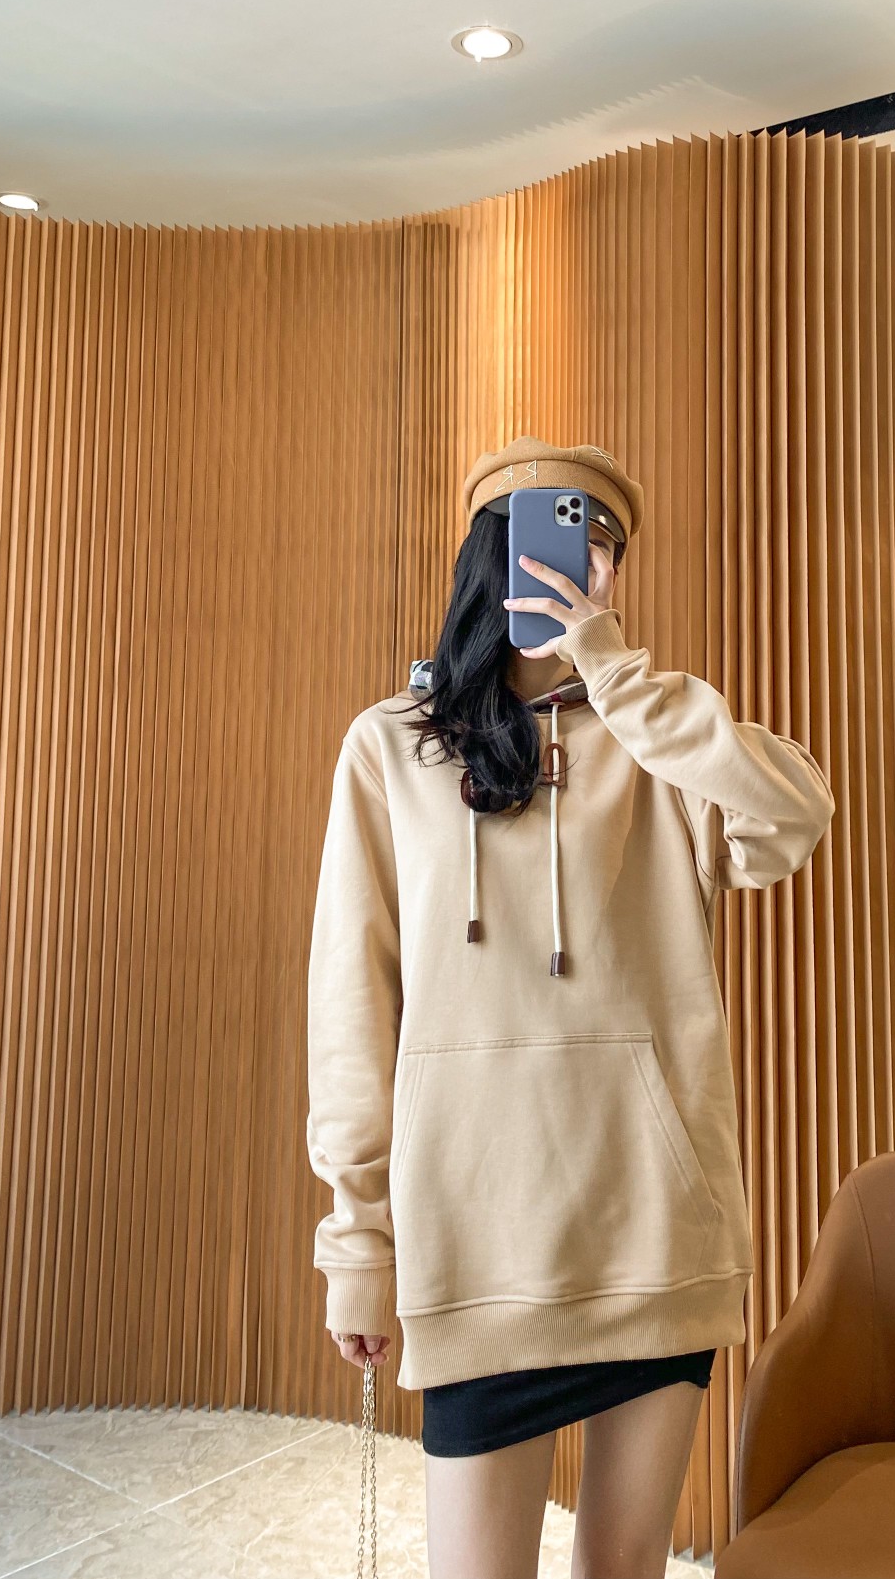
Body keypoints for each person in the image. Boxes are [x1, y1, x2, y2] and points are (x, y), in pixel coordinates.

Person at [306, 435, 835, 1579]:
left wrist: (622, 678)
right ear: (493, 554)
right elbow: (352, 1008)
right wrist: (358, 1242)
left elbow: (794, 814)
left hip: (652, 1234)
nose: (588, 562)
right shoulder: (388, 748)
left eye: (606, 544)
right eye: (559, 532)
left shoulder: (664, 742)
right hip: (477, 1245)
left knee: (621, 1570)